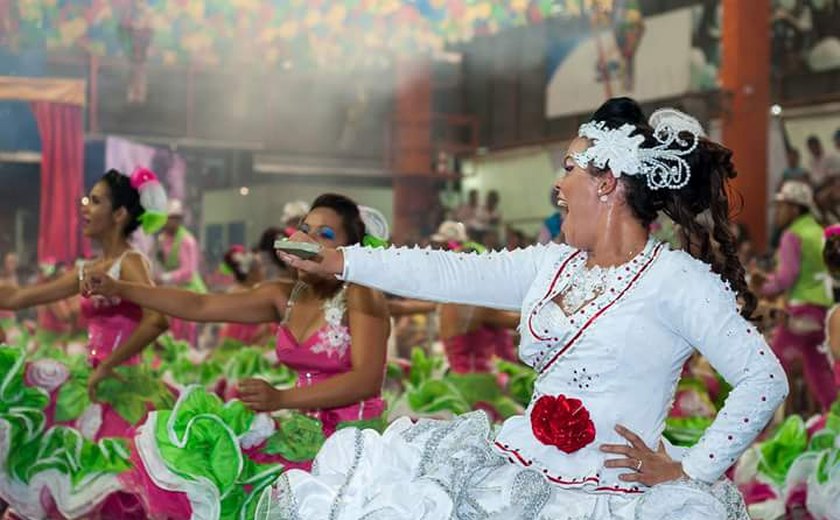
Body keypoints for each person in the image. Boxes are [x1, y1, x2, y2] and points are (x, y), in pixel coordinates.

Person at [269, 99, 788, 519]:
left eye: (569, 169)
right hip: (518, 476)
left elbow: (763, 379)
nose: (558, 186)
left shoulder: (675, 280)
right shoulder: (551, 264)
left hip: (613, 497)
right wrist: (341, 261)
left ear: (607, 183)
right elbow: (449, 273)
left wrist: (691, 469)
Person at [83, 194, 390, 519]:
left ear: (347, 251)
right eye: (305, 229)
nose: (308, 239)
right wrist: (122, 289)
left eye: (324, 235)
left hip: (352, 445)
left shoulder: (362, 294)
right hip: (300, 435)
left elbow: (366, 380)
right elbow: (199, 305)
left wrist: (283, 397)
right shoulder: (282, 295)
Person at [0, 168, 170, 518]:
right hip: (88, 384)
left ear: (120, 214)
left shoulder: (131, 262)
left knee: (111, 493)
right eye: (85, 200)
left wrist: (109, 364)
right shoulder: (88, 268)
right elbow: (20, 297)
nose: (85, 208)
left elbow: (157, 319)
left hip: (124, 390)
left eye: (95, 201)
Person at [755, 180, 836, 413]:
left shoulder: (793, 235)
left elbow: (786, 277)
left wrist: (762, 288)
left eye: (782, 207)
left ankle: (758, 433)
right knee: (819, 369)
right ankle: (835, 422)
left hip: (801, 312)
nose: (778, 213)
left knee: (771, 367)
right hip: (822, 313)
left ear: (795, 208)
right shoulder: (819, 232)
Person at [155, 198, 207, 346]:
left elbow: (188, 271)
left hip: (188, 290)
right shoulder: (162, 239)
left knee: (186, 336)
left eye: (176, 219)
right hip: (172, 290)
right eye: (169, 218)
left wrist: (165, 278)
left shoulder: (187, 241)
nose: (172, 222)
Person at [217, 244, 271, 345]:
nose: (264, 270)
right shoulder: (249, 295)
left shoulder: (237, 291)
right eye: (261, 267)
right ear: (251, 273)